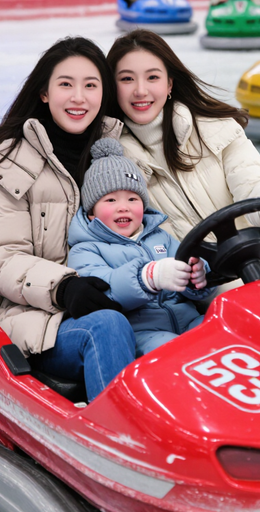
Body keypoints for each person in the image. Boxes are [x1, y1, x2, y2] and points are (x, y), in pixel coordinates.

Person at [0, 37, 136, 401]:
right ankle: (118, 433)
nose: (78, 97)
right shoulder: (13, 163)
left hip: (109, 297)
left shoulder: (116, 156)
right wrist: (64, 288)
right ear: (45, 93)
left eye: (90, 86)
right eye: (66, 84)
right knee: (106, 327)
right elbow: (1, 258)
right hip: (35, 318)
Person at [106, 29, 260, 282]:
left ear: (169, 84)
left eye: (152, 77)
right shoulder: (113, 166)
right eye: (127, 79)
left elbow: (249, 179)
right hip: (207, 287)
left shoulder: (216, 128)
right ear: (112, 87)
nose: (140, 90)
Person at [68, 138, 212, 357]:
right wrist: (148, 278)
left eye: (132, 199)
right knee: (176, 352)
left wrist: (197, 277)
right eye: (111, 200)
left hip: (189, 320)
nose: (123, 207)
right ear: (91, 213)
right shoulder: (86, 250)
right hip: (141, 333)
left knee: (224, 334)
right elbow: (104, 291)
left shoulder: (160, 237)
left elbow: (188, 268)